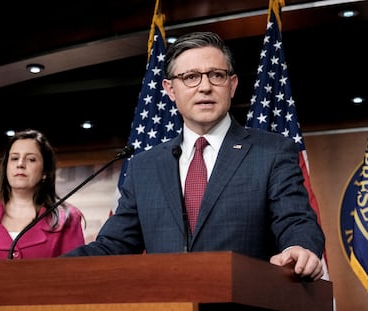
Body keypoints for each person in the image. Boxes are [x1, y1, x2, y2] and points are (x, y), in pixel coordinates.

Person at [62, 31, 326, 281]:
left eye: (216, 75)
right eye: (190, 77)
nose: (205, 87)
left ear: (232, 85)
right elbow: (114, 245)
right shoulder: (145, 165)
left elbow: (295, 219)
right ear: (170, 89)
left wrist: (299, 247)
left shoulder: (272, 151)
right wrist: (48, 266)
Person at [0, 129, 85, 260]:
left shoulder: (68, 218)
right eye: (14, 158)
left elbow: (74, 276)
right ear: (6, 168)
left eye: (31, 159)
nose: (20, 164)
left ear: (45, 171)